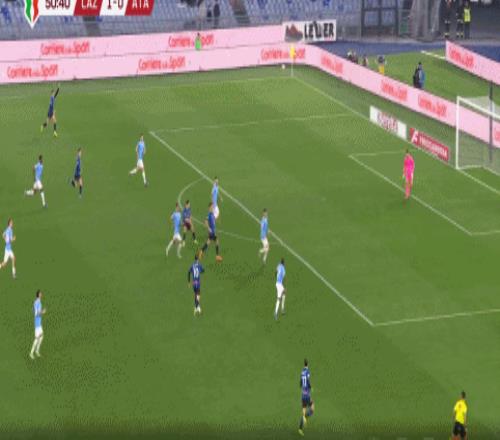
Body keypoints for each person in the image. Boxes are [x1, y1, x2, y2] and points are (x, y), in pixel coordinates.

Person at [298, 359, 314, 436]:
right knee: (312, 409)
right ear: (308, 364)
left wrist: (302, 386)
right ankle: (305, 418)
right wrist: (310, 387)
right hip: (307, 395)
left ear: (304, 364)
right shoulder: (307, 371)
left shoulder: (302, 372)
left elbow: (301, 383)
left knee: (304, 409)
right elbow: (307, 380)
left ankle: (300, 429)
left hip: (303, 395)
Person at [29, 290, 46, 359]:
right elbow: (36, 314)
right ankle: (31, 353)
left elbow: (33, 310)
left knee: (41, 337)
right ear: (38, 295)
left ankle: (37, 351)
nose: (41, 294)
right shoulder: (37, 302)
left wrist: (39, 311)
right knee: (36, 339)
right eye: (40, 293)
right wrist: (42, 312)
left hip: (39, 323)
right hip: (37, 324)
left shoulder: (38, 302)